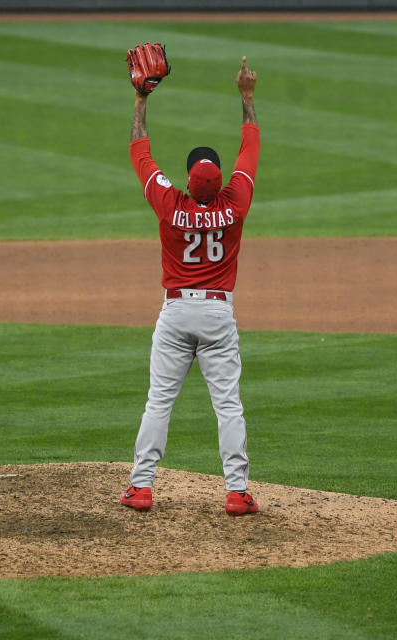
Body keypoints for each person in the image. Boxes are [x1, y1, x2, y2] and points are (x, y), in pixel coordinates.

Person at [119, 45, 262, 516]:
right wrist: (246, 95)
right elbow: (250, 148)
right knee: (229, 406)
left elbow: (140, 152)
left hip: (177, 312)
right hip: (218, 312)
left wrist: (142, 98)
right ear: (220, 180)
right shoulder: (236, 201)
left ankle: (141, 488)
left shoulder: (170, 204)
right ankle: (237, 492)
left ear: (186, 178)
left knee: (158, 402)